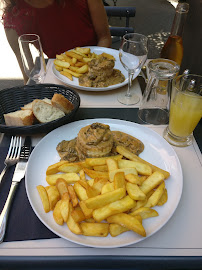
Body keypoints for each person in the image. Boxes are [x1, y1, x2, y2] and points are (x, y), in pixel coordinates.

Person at [1, 0, 112, 83]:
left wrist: (94, 71)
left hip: (99, 68)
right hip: (60, 78)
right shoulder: (14, 18)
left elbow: (104, 37)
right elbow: (31, 78)